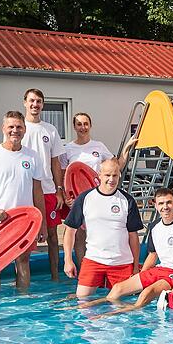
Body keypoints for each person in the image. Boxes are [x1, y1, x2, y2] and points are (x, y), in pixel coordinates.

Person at [67, 188, 173, 316]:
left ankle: (115, 313)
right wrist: (139, 276)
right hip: (161, 270)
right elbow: (152, 256)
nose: (165, 207)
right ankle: (92, 306)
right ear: (155, 205)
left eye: (169, 202)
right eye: (161, 203)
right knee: (117, 289)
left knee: (148, 291)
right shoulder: (154, 226)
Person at [0, 111, 47, 298]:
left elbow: (37, 192)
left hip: (24, 224)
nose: (15, 130)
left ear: (25, 129)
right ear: (3, 128)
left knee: (23, 261)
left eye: (19, 127)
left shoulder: (32, 156)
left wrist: (42, 224)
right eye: (11, 127)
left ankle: (22, 301)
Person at [62, 112, 139, 264]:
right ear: (74, 127)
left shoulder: (99, 146)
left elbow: (115, 165)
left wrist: (127, 148)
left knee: (98, 230)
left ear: (90, 125)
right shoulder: (68, 148)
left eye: (85, 124)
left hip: (99, 196)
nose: (82, 127)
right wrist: (66, 197)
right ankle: (82, 268)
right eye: (79, 124)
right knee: (78, 234)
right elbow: (64, 175)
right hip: (78, 197)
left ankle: (103, 263)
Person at [63, 158, 144, 298]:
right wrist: (68, 260)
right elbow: (70, 231)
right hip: (94, 260)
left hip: (122, 263)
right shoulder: (85, 198)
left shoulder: (127, 201)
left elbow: (133, 237)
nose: (111, 179)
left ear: (119, 175)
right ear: (99, 175)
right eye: (107, 175)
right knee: (82, 302)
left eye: (115, 175)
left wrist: (135, 267)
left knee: (123, 307)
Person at [20, 88, 66, 281]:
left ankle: (55, 277)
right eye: (31, 101)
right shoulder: (17, 128)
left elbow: (56, 162)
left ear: (42, 105)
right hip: (23, 191)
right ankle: (23, 280)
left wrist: (59, 190)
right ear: (25, 103)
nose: (35, 105)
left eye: (38, 101)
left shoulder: (50, 130)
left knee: (53, 235)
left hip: (47, 190)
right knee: (25, 237)